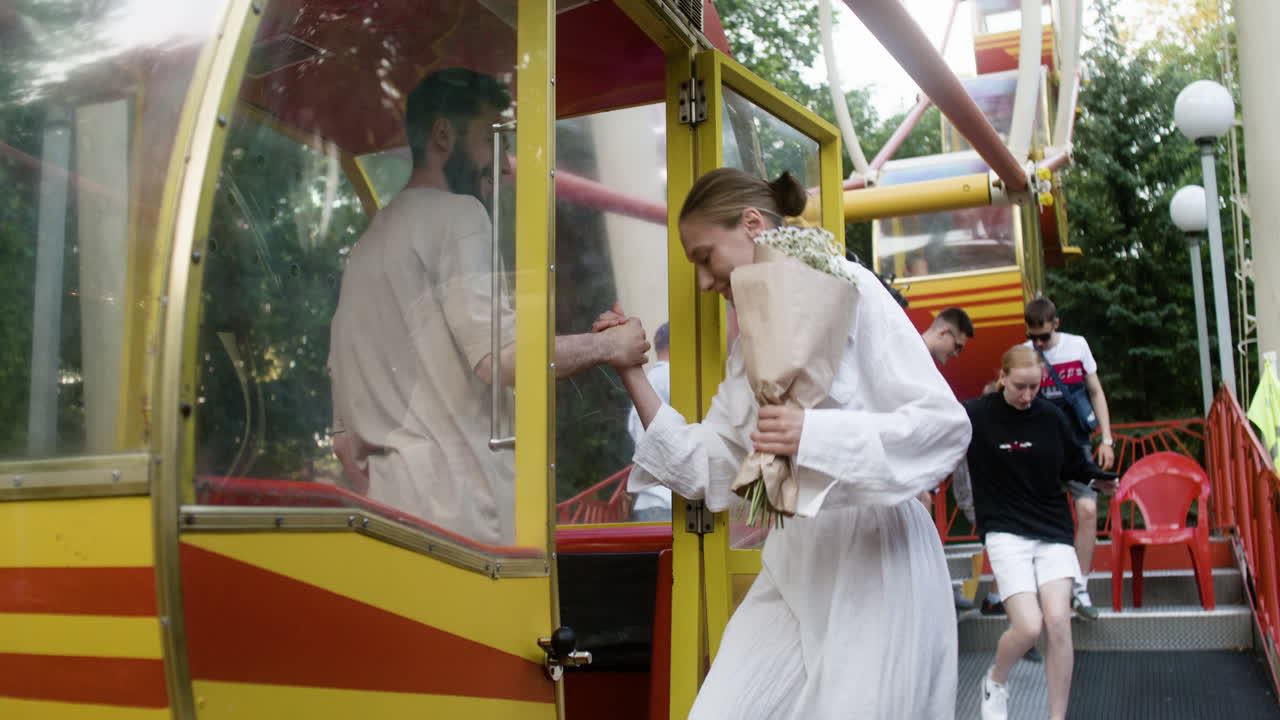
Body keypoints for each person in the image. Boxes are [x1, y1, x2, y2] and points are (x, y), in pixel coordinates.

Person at [602, 167, 971, 718]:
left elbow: (944, 429)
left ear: (752, 225)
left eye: (704, 257)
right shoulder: (745, 348)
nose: (703, 282)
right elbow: (712, 465)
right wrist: (631, 372)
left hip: (877, 560)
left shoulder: (854, 290)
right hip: (796, 557)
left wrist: (813, 436)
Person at [327, 69, 648, 545]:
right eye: (490, 140)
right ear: (443, 136)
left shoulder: (369, 245)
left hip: (390, 515)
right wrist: (610, 345)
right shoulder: (460, 216)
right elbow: (500, 357)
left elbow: (342, 440)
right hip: (467, 516)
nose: (502, 165)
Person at [966, 345, 1112, 720]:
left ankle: (1056, 716)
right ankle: (996, 680)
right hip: (1004, 530)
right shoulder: (974, 415)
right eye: (1020, 387)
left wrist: (1098, 480)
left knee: (1059, 622)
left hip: (1051, 528)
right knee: (1030, 627)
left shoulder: (1049, 416)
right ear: (1002, 377)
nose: (1028, 396)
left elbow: (1077, 467)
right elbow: (933, 432)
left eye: (1035, 387)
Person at [1023, 296, 1115, 619]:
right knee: (1036, 519)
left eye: (1044, 337)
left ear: (1056, 324)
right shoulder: (1025, 354)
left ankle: (1080, 587)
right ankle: (1038, 591)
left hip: (1076, 444)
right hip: (1039, 449)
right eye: (1033, 336)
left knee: (1088, 510)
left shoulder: (1077, 347)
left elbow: (1095, 391)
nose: (1038, 343)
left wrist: (1106, 439)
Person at [917, 307, 978, 611]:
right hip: (900, 452)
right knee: (921, 502)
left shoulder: (921, 359)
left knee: (923, 503)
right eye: (958, 346)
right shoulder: (908, 352)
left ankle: (935, 583)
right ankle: (933, 585)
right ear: (944, 332)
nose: (957, 354)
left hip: (916, 454)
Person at [626, 322, 673, 521]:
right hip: (667, 501)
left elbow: (632, 429)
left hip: (648, 500)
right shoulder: (672, 378)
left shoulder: (649, 381)